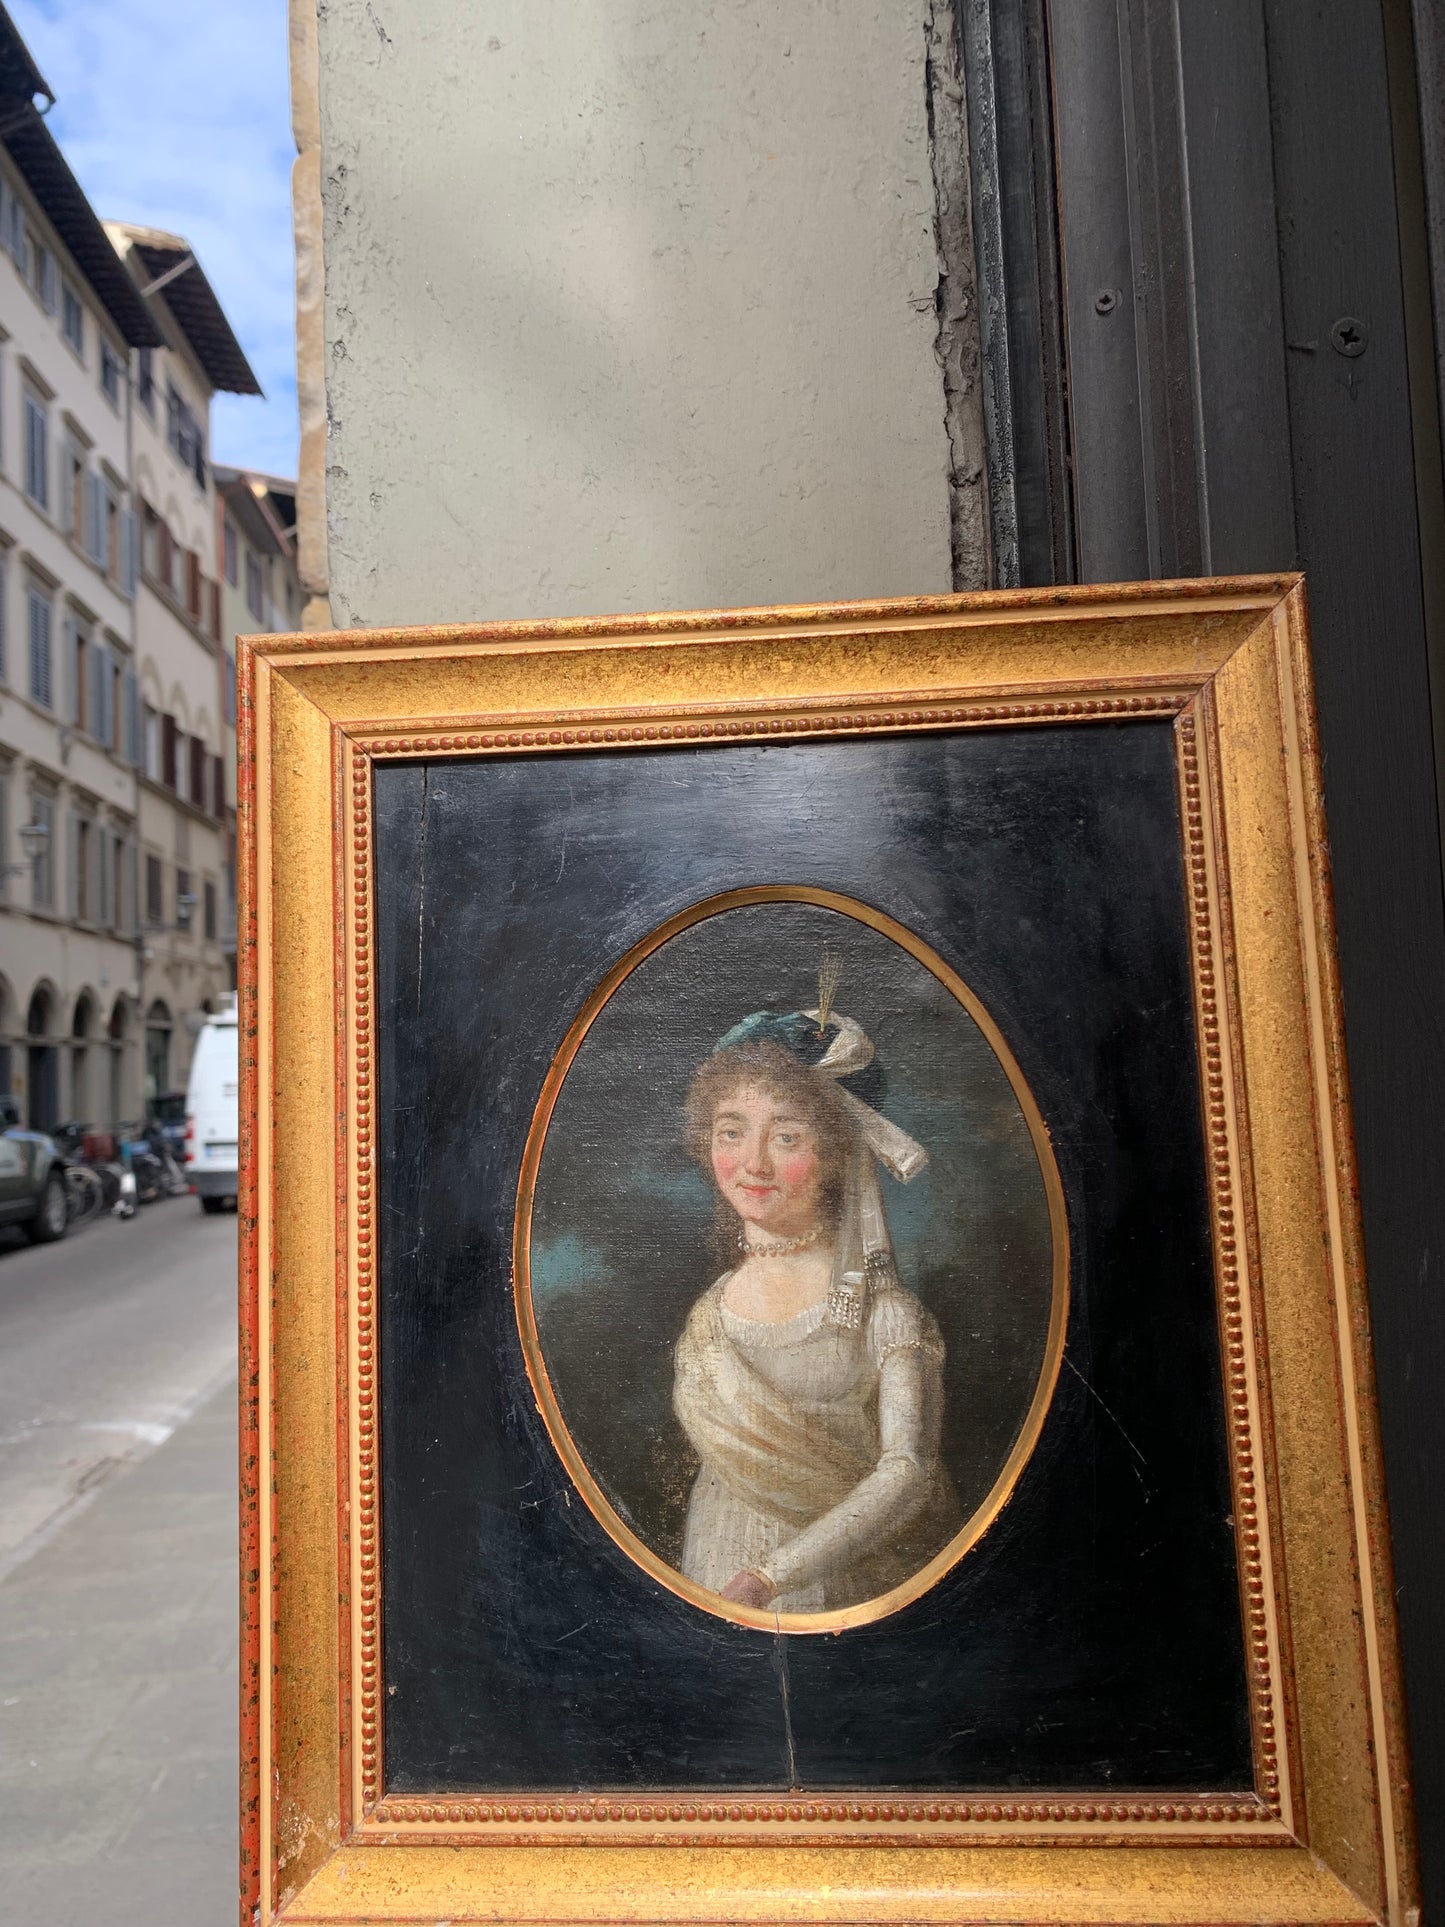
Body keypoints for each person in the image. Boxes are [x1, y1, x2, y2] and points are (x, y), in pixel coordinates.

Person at [673, 995, 961, 1615]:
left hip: (834, 1585)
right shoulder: (709, 1314)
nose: (752, 1163)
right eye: (732, 1132)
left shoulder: (885, 1313)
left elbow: (907, 1472)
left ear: (834, 1154)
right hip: (710, 1564)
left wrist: (771, 1576)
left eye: (785, 1137)